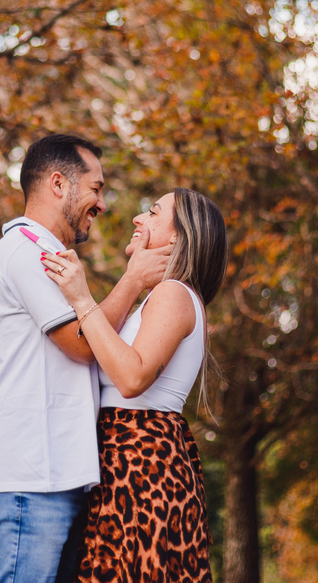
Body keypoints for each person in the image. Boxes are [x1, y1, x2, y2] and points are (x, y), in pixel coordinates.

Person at [0, 134, 172, 583]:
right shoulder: (25, 251)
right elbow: (84, 342)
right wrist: (133, 279)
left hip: (52, 479)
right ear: (59, 184)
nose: (101, 203)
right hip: (27, 482)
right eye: (96, 188)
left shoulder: (51, 257)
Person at [41, 187, 227, 583]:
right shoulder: (159, 297)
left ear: (177, 236)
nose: (137, 220)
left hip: (143, 465)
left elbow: (132, 377)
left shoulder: (173, 294)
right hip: (126, 460)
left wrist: (81, 299)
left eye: (153, 212)